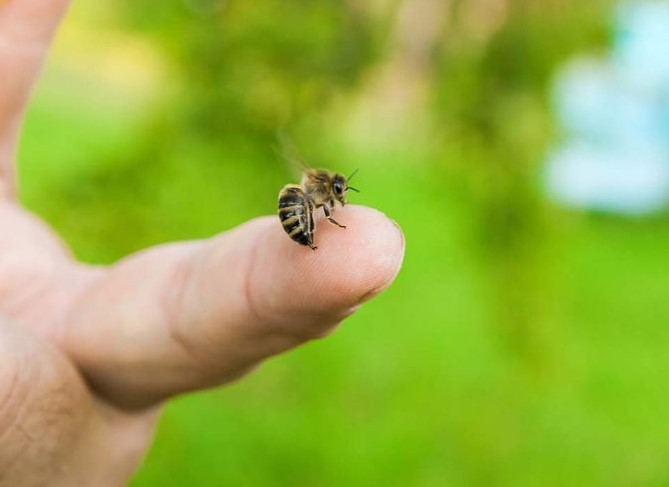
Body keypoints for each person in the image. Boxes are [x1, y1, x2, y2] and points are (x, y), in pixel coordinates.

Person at [0, 1, 405, 484]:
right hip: (295, 210)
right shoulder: (316, 193)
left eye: (338, 195)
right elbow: (314, 201)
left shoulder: (320, 193)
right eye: (338, 193)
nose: (340, 198)